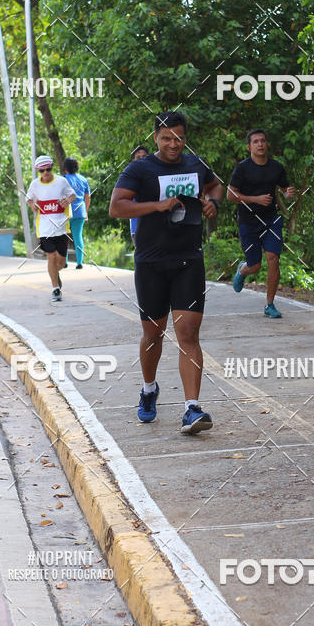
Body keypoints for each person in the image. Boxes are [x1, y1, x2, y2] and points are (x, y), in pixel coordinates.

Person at [109, 112, 222, 434]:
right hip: (151, 262)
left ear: (186, 138)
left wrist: (212, 203)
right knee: (153, 334)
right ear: (156, 137)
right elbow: (116, 207)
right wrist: (156, 206)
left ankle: (191, 409)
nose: (173, 144)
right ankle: (148, 390)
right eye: (166, 138)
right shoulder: (140, 169)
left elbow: (215, 187)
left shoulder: (196, 164)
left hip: (188, 259)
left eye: (179, 138)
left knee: (188, 334)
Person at [228, 129, 295, 317]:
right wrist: (255, 199)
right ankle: (242, 270)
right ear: (249, 147)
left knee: (273, 259)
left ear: (267, 145)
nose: (260, 144)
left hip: (271, 220)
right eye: (256, 141)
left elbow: (284, 190)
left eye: (263, 141)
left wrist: (287, 194)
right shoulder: (242, 168)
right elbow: (230, 195)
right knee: (255, 266)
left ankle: (269, 305)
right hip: (249, 222)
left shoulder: (276, 167)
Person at [26, 154, 75, 302]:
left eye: (48, 169)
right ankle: (55, 289)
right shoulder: (34, 185)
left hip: (61, 227)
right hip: (45, 228)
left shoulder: (61, 181)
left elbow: (72, 195)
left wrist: (67, 200)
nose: (46, 173)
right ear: (38, 171)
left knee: (60, 262)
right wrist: (32, 205)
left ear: (51, 168)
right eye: (42, 171)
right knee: (51, 256)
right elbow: (28, 198)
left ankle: (55, 273)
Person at [62, 157, 91, 269]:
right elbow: (87, 197)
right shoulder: (83, 179)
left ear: (65, 168)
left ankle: (64, 262)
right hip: (80, 211)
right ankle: (79, 262)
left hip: (66, 212)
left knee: (64, 236)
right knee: (78, 236)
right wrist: (86, 211)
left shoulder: (62, 179)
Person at [128, 145, 149, 246]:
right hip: (137, 227)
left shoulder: (156, 175)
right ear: (133, 160)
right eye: (138, 157)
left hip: (156, 227)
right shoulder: (128, 178)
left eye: (144, 157)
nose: (141, 160)